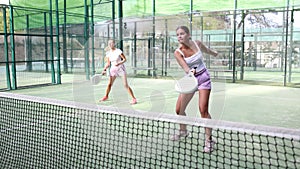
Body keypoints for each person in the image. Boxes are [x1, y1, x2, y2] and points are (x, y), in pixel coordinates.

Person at [171, 26, 218, 153]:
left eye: (182, 34)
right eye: (177, 34)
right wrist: (190, 71)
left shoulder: (197, 44)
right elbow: (185, 67)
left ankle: (209, 140)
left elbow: (206, 50)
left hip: (204, 78)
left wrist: (214, 53)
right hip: (190, 80)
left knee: (203, 110)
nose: (179, 36)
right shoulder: (178, 52)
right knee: (178, 109)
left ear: (188, 34)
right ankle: (183, 131)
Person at [99, 39, 137, 105]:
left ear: (114, 44)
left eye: (111, 43)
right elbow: (108, 63)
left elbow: (124, 59)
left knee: (125, 85)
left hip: (120, 69)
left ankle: (134, 99)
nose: (110, 45)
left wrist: (119, 63)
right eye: (109, 43)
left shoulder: (118, 51)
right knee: (110, 84)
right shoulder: (108, 53)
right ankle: (106, 96)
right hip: (113, 69)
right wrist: (104, 69)